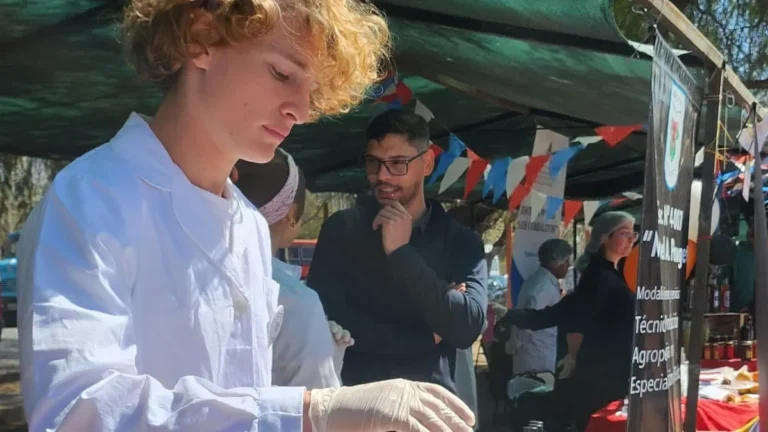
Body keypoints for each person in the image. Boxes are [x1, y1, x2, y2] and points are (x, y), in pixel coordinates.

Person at [15, 1, 476, 431]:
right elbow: (75, 409)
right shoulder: (90, 199)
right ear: (201, 38)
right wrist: (308, 411)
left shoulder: (249, 227)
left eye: (311, 92)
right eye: (282, 73)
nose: (298, 110)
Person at [307, 109, 488, 393]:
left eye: (397, 163)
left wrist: (401, 253)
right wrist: (425, 336)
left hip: (431, 407)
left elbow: (466, 328)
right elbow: (326, 323)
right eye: (373, 163)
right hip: (355, 404)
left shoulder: (460, 240)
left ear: (427, 163)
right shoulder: (343, 230)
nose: (382, 175)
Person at [504, 211, 636, 431]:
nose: (631, 239)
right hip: (602, 372)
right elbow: (572, 318)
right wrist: (572, 356)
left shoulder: (613, 272)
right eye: (624, 234)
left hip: (612, 367)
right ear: (604, 237)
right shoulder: (597, 276)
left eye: (633, 234)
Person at [232, 150, 352, 389]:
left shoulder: (192, 274)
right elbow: (320, 407)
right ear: (291, 215)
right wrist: (327, 356)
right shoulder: (297, 301)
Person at [508, 238, 572, 376]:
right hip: (535, 357)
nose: (568, 265)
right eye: (566, 261)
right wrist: (516, 346)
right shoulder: (542, 288)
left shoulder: (542, 281)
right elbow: (528, 323)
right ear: (556, 262)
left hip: (540, 353)